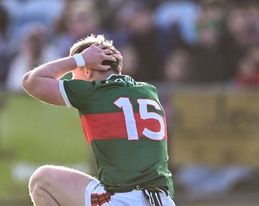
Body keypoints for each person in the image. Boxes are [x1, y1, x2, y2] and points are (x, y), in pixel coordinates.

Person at [21, 34, 176, 206]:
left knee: (41, 180)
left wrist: (79, 59)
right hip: (163, 200)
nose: (72, 79)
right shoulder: (149, 91)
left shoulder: (92, 92)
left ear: (88, 69)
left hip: (122, 199)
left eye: (74, 73)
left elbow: (30, 81)